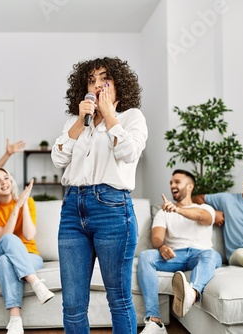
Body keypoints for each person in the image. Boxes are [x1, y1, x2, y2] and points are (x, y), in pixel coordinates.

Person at [51, 56, 148, 334]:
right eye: (91, 81)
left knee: (118, 299)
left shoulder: (132, 118)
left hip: (112, 209)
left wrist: (109, 116)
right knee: (72, 305)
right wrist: (82, 121)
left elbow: (127, 153)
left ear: (119, 84)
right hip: (72, 209)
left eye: (104, 80)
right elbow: (58, 158)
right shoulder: (75, 120)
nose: (96, 86)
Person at [137, 170, 222, 334]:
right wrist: (162, 247)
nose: (172, 185)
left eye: (177, 182)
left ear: (190, 186)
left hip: (201, 254)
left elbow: (201, 216)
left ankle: (192, 293)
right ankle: (155, 322)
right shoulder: (163, 212)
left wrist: (177, 210)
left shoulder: (205, 208)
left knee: (211, 254)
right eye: (171, 183)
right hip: (176, 256)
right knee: (146, 256)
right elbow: (156, 237)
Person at [0, 167, 55, 334]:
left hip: (29, 255)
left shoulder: (27, 202)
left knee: (5, 262)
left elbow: (29, 235)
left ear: (11, 181)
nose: (3, 183)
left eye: (6, 178)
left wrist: (24, 205)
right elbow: (4, 236)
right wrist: (16, 208)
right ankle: (35, 282)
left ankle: (15, 321)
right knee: (8, 239)